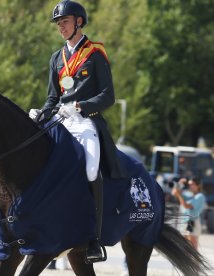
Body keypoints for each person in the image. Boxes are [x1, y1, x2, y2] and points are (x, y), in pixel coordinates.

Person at [29, 0, 126, 263]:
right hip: (59, 120)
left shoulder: (95, 54)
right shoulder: (55, 59)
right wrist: (41, 112)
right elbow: (52, 98)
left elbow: (108, 96)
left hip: (85, 122)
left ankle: (93, 238)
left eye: (65, 21)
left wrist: (80, 106)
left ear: (79, 22)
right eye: (58, 23)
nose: (61, 26)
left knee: (92, 168)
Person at [171, 177, 206, 249]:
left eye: (192, 184)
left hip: (193, 222)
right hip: (185, 222)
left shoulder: (200, 196)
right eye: (189, 184)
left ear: (198, 185)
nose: (190, 186)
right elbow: (174, 192)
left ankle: (194, 260)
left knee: (192, 247)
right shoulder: (189, 195)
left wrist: (179, 195)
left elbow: (186, 206)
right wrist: (180, 183)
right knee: (184, 247)